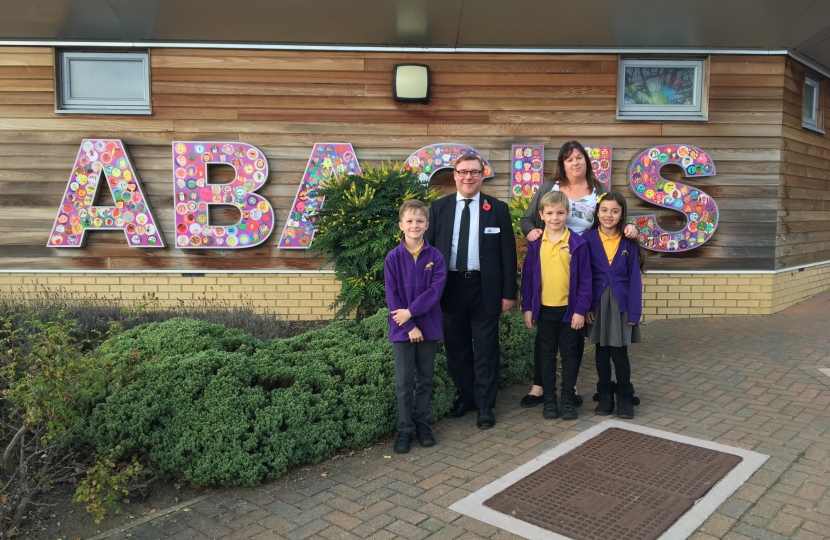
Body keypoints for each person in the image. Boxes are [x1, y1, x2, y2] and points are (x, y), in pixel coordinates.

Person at [518, 140, 638, 409]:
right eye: (569, 158)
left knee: (576, 328)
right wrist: (531, 232)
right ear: (562, 163)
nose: (575, 162)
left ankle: (572, 385)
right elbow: (527, 219)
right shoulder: (549, 189)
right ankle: (540, 385)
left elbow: (614, 213)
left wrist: (631, 229)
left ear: (586, 160)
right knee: (547, 332)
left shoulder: (599, 191)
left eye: (579, 157)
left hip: (589, 265)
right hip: (552, 260)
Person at [424, 154, 517, 429]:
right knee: (457, 349)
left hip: (484, 288)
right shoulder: (438, 208)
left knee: (486, 349)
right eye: (463, 172)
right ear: (454, 175)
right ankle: (467, 398)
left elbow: (507, 255)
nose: (468, 177)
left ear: (482, 175)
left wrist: (508, 292)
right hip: (449, 287)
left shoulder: (497, 209)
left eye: (474, 172)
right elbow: (427, 252)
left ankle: (485, 405)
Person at [520, 191, 591, 420]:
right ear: (541, 214)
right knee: (547, 355)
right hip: (544, 310)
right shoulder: (535, 245)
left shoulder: (577, 244)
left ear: (567, 214)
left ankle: (568, 399)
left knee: (570, 355)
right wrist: (528, 307)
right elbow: (528, 278)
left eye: (560, 213)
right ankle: (549, 398)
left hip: (569, 313)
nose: (555, 218)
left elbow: (585, 281)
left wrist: (580, 310)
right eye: (549, 213)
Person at [385, 199, 447, 453]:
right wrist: (408, 324)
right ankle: (404, 429)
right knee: (403, 383)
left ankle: (422, 424)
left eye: (419, 221)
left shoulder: (436, 257)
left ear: (427, 225)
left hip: (429, 326)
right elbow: (392, 295)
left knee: (424, 380)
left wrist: (412, 312)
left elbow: (436, 290)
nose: (414, 225)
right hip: (402, 329)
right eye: (409, 221)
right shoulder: (393, 257)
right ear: (401, 225)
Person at [583, 192, 643, 419]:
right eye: (604, 210)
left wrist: (634, 310)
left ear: (621, 215)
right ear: (597, 213)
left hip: (621, 303)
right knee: (601, 351)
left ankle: (625, 396)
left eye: (615, 211)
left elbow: (634, 279)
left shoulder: (628, 242)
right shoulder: (587, 239)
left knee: (619, 353)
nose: (609, 215)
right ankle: (605, 394)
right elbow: (583, 276)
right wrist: (586, 306)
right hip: (597, 302)